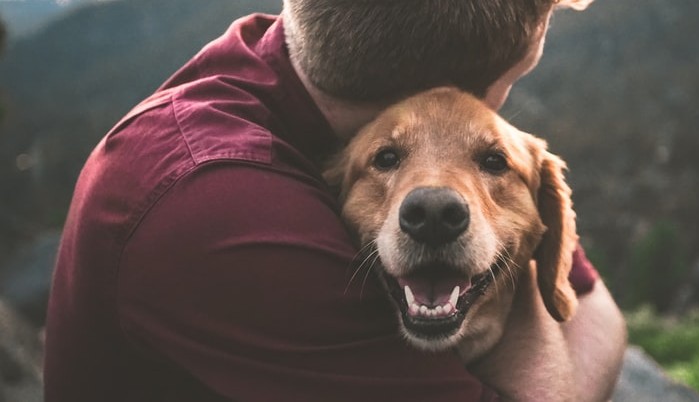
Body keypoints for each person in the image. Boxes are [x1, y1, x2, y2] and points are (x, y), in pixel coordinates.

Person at [43, 0, 626, 400]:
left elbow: (591, 303)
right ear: (451, 90)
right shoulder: (219, 208)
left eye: (491, 157)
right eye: (517, 75)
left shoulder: (296, 64)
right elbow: (588, 323)